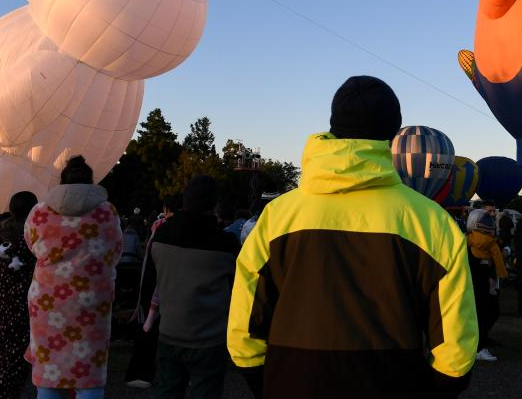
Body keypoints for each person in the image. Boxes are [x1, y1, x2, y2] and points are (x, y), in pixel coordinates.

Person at [227, 75, 477, 398]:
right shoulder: (433, 223)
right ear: (393, 134)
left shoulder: (276, 217)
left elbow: (244, 329)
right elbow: (456, 349)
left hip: (293, 383)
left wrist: (271, 380)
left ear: (333, 125)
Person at [25, 155, 123, 398]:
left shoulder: (39, 211)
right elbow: (115, 249)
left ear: (63, 181)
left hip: (47, 300)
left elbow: (32, 245)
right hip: (91, 300)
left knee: (48, 372)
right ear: (90, 181)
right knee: (89, 373)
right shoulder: (107, 211)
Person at [150, 175, 240, 397]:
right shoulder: (225, 244)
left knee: (167, 390)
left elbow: (155, 276)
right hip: (209, 337)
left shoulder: (161, 235)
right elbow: (236, 286)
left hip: (169, 330)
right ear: (215, 204)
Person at [0, 191, 38, 398]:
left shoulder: (1, 233)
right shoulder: (30, 236)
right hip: (21, 305)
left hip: (0, 303)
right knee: (16, 359)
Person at [125, 193, 181, 389]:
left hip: (153, 284)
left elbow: (150, 262)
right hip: (179, 289)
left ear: (166, 209)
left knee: (147, 330)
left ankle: (141, 373)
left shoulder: (159, 228)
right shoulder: (190, 229)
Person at [467, 210, 507, 361]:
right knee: (482, 315)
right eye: (484, 223)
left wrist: (491, 276)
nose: (489, 226)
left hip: (486, 285)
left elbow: (491, 264)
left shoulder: (490, 244)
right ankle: (478, 347)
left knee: (491, 313)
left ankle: (482, 340)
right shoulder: (469, 244)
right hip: (476, 286)